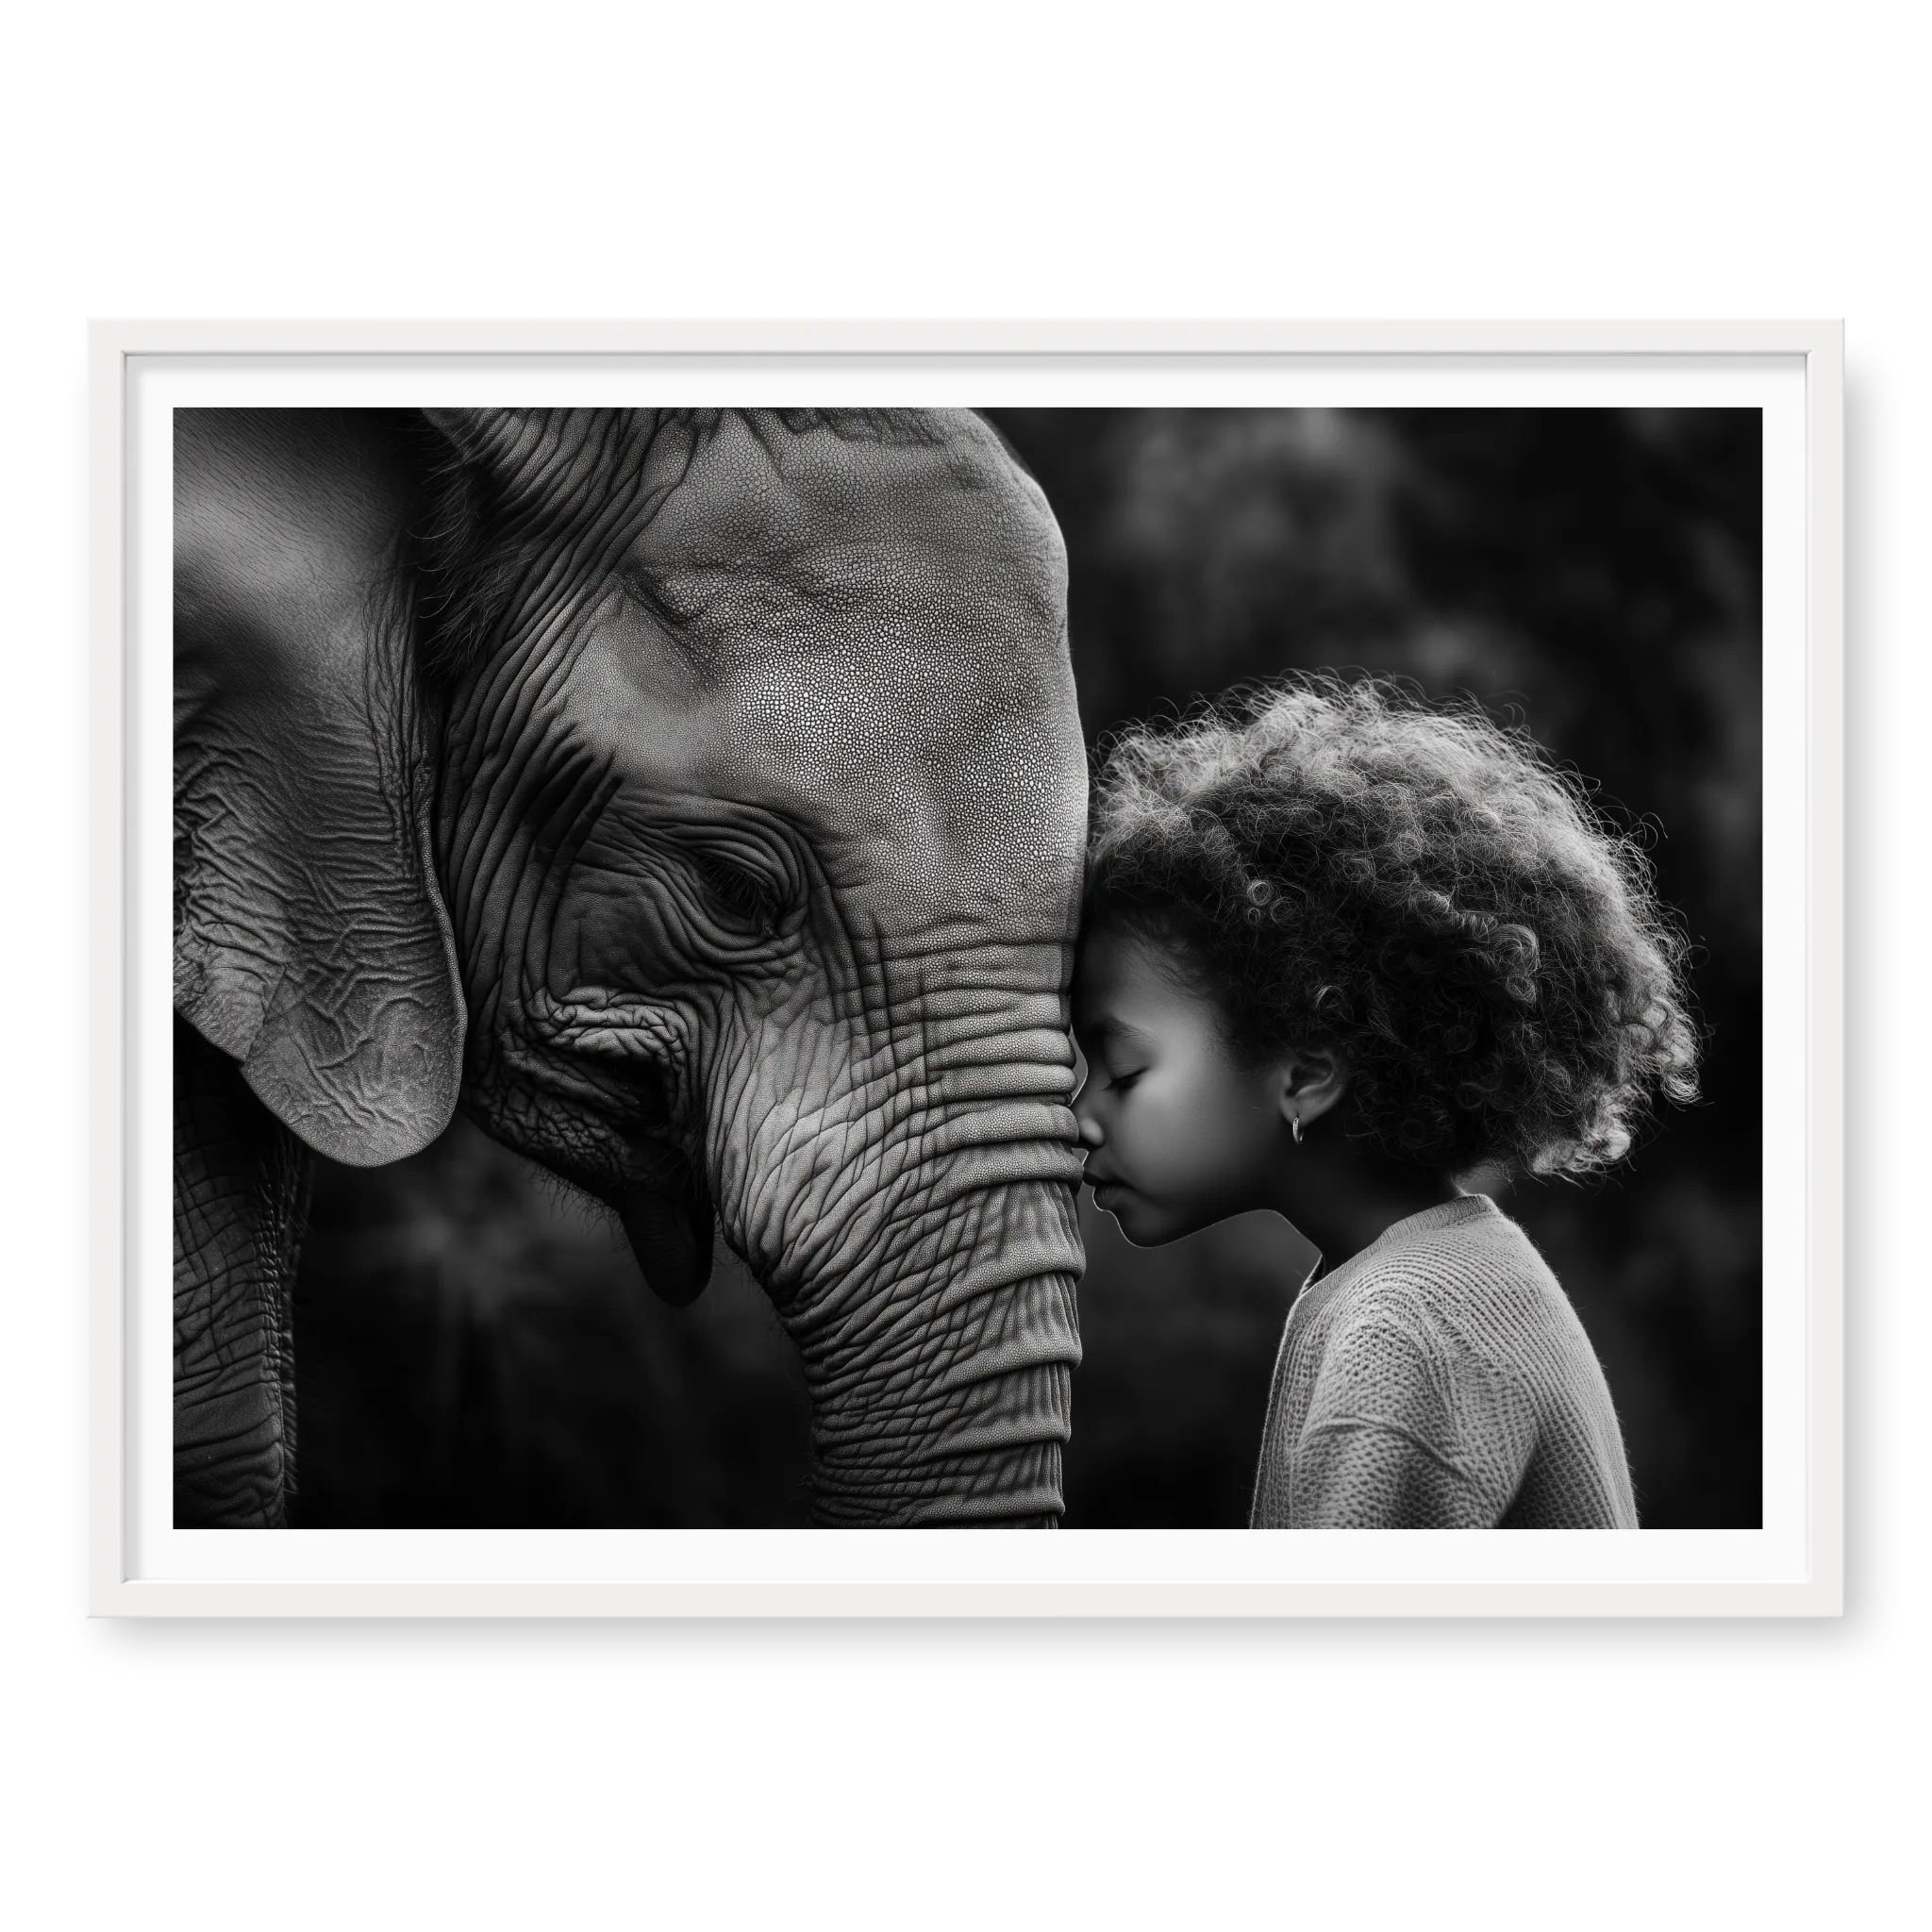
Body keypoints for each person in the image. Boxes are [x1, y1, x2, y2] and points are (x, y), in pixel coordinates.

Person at [1070, 673, 1701, 1528]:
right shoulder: (1431, 1280)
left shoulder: (1403, 1332)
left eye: (1123, 1070)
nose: (1080, 1117)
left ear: (1305, 1075)